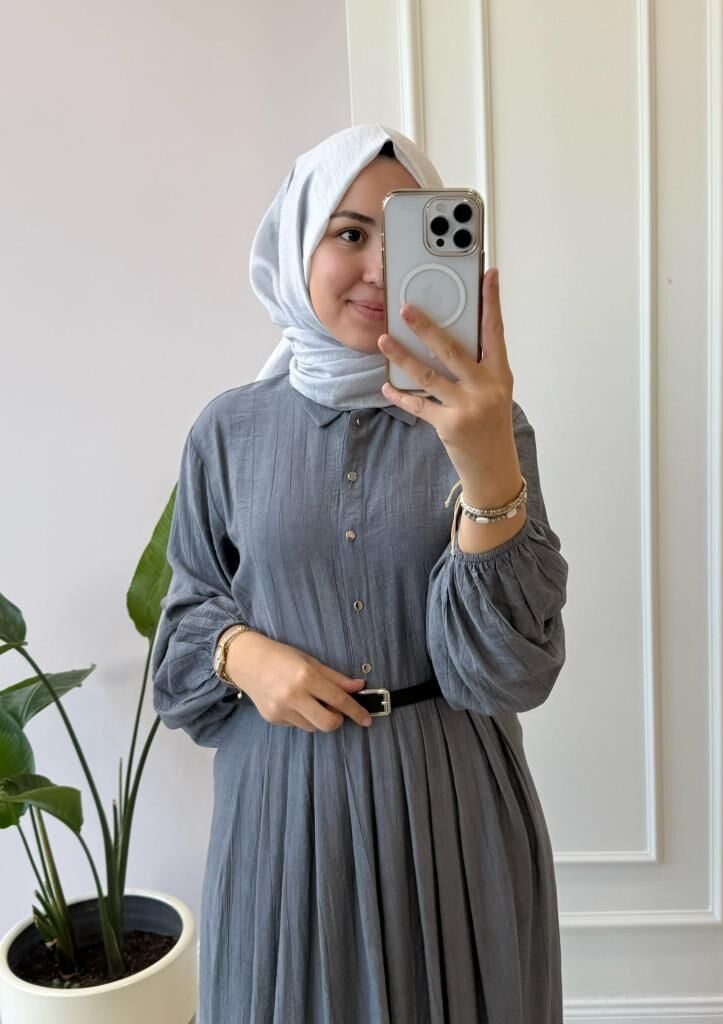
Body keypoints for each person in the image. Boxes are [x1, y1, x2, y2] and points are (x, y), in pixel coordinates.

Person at [152, 123, 569, 1024]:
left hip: (452, 803)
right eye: (350, 232)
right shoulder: (228, 432)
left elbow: (510, 673)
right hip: (282, 812)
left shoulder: (488, 424)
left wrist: (486, 466)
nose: (380, 267)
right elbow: (181, 633)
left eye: (406, 234)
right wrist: (242, 655)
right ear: (299, 242)